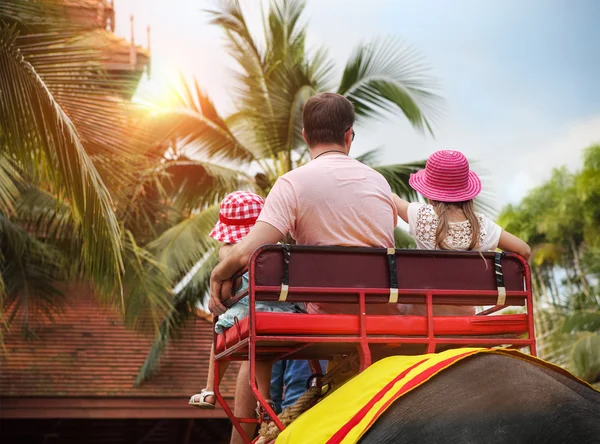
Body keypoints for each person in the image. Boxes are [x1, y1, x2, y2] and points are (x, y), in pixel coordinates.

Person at [208, 92, 398, 443]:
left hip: (322, 310)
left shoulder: (293, 183)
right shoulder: (380, 183)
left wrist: (219, 272)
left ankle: (242, 437)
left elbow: (254, 251)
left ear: (306, 136)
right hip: (378, 308)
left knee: (259, 319)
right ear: (349, 135)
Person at [189, 191, 303, 411]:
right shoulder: (279, 251)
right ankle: (266, 398)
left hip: (248, 317)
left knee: (219, 335)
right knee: (262, 353)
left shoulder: (229, 254)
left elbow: (224, 294)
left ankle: (210, 390)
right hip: (282, 317)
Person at [391, 149, 531, 316]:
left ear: (429, 194)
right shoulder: (482, 226)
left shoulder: (421, 215)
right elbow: (524, 250)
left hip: (424, 314)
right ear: (467, 194)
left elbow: (393, 199)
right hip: (464, 316)